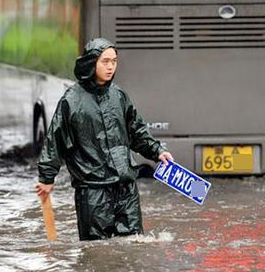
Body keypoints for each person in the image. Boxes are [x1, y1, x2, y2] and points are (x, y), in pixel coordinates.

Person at [35, 38, 174, 241]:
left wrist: (157, 151)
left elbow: (136, 131)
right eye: (105, 61)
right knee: (96, 252)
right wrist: (46, 179)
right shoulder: (71, 100)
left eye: (114, 61)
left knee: (133, 246)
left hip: (126, 188)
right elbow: (55, 141)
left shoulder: (119, 95)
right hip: (93, 192)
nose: (111, 67)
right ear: (92, 63)